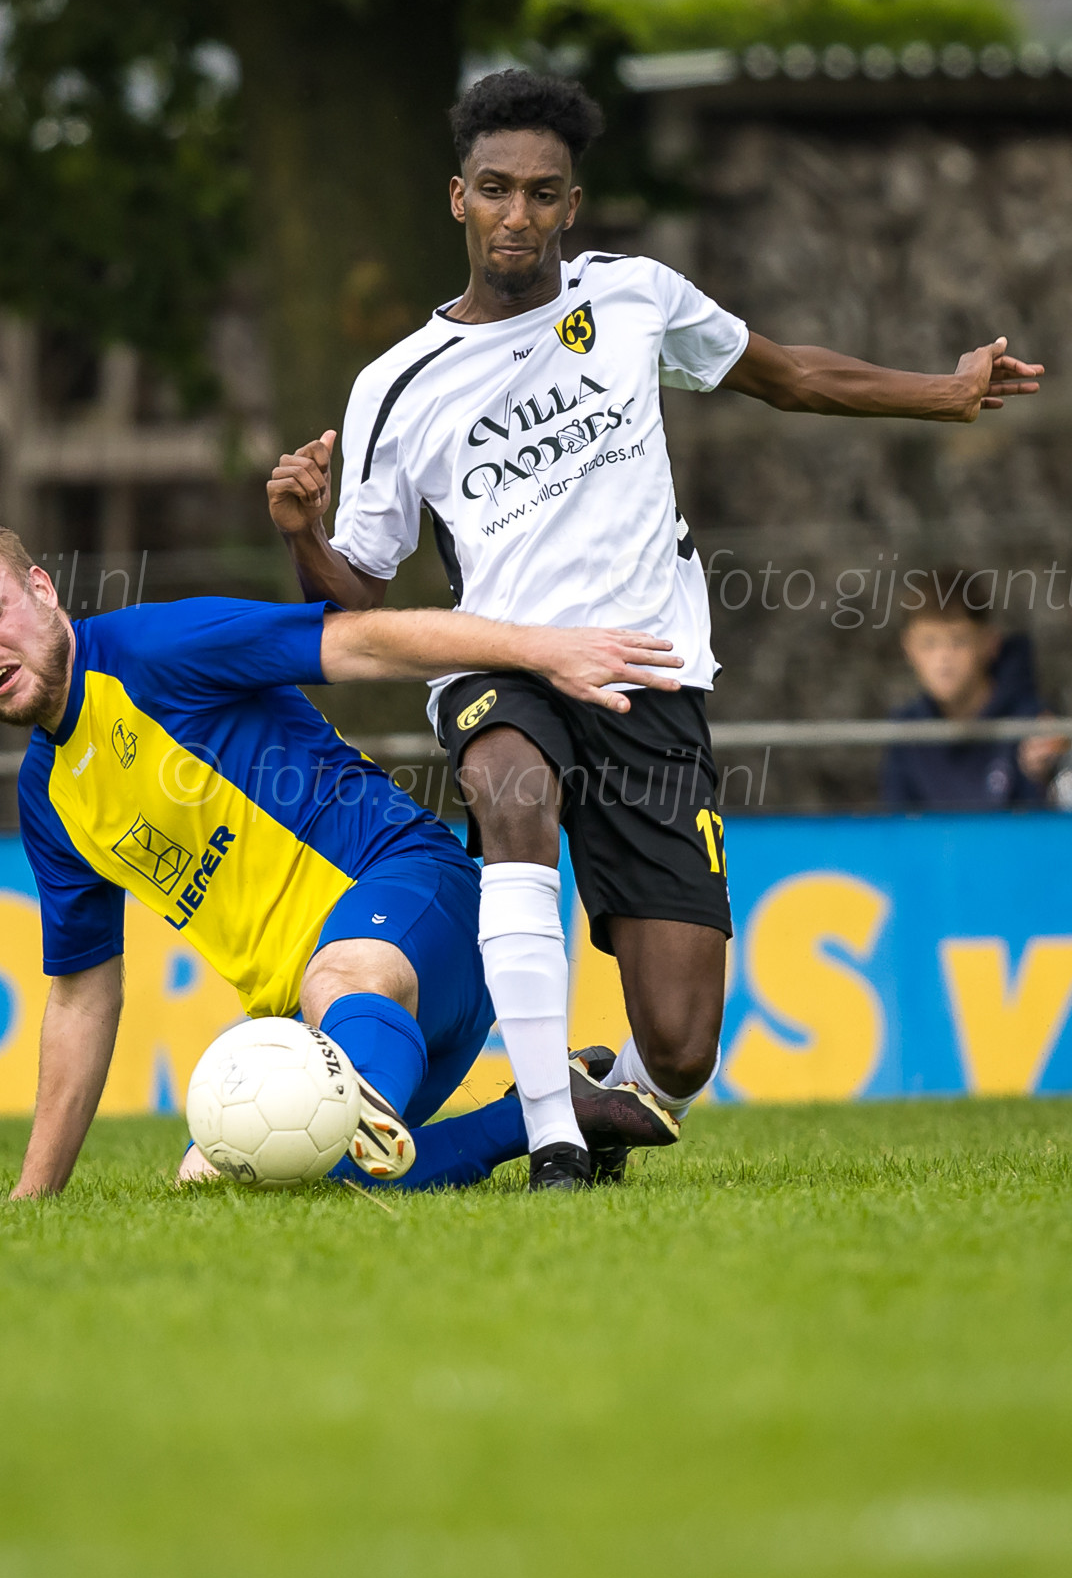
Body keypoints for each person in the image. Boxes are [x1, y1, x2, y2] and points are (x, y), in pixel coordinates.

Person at [266, 67, 1044, 1188]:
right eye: (497, 189)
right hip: (505, 665)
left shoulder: (634, 296)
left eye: (544, 193)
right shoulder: (397, 385)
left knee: (678, 1051)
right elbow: (359, 604)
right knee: (511, 791)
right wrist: (303, 531)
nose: (519, 214)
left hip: (649, 674)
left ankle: (597, 1094)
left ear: (572, 205)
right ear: (459, 198)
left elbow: (788, 375)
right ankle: (550, 1134)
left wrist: (945, 391)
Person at [0, 505, 679, 1199]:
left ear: (40, 588)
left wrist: (540, 650)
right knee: (224, 1174)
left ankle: (466, 1110)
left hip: (415, 900)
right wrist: (33, 1197)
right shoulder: (47, 796)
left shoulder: (154, 649)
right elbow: (81, 997)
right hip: (340, 1024)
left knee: (333, 1000)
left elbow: (366, 643)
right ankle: (554, 1113)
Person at [882, 575, 1065, 811]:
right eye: (929, 642)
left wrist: (1048, 773)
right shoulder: (905, 733)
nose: (943, 658)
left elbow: (1047, 821)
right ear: (908, 647)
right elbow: (898, 823)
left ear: (989, 643)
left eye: (958, 641)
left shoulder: (1033, 722)